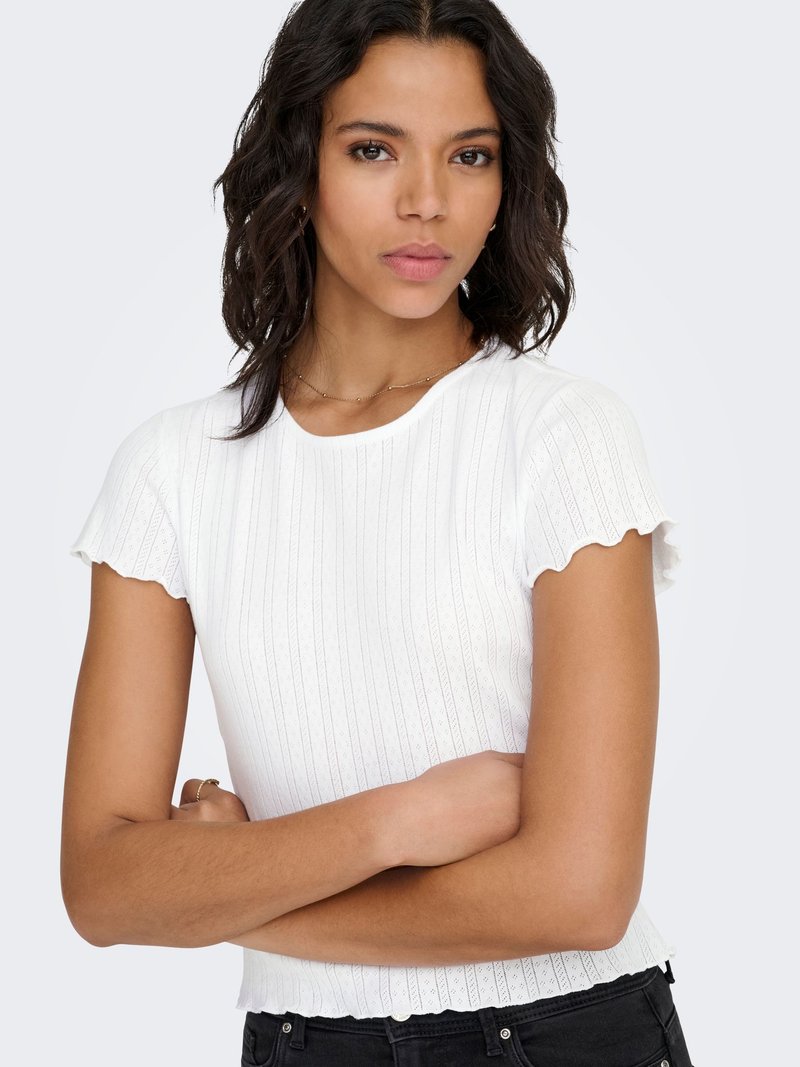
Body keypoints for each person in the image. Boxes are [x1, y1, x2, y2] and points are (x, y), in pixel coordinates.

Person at [63, 1, 695, 1064]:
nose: (426, 201)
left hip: (567, 1034)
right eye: (372, 149)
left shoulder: (563, 437)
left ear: (507, 182)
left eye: (469, 155)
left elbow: (581, 893)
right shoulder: (170, 471)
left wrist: (230, 886)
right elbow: (102, 886)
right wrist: (397, 820)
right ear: (297, 165)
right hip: (301, 1041)